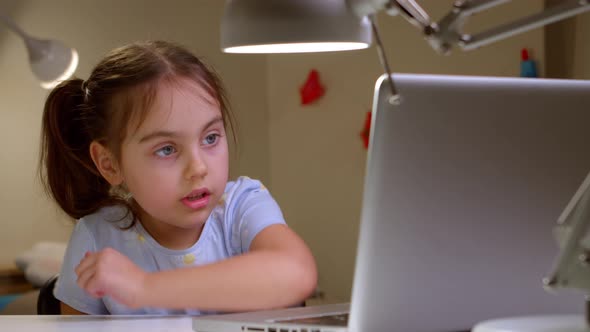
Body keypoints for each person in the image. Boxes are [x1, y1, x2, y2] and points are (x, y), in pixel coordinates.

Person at [38, 40, 317, 315]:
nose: (198, 168)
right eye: (167, 149)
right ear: (109, 164)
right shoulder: (97, 235)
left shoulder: (242, 206)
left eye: (210, 138)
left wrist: (145, 287)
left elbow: (296, 273)